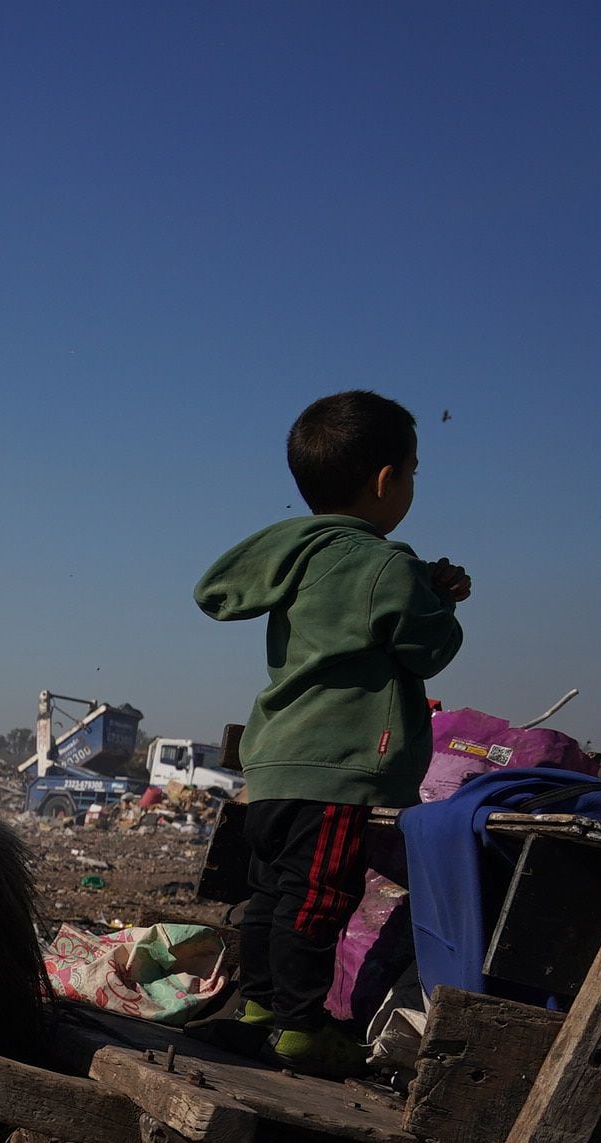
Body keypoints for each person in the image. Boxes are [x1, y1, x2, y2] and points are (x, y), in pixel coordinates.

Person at [192, 390, 468, 1078]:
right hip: (337, 767)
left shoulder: (297, 554)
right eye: (411, 470)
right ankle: (301, 1033)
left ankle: (258, 1014)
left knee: (272, 896)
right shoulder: (385, 564)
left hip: (276, 765)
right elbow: (427, 649)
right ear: (386, 480)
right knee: (318, 903)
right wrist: (442, 598)